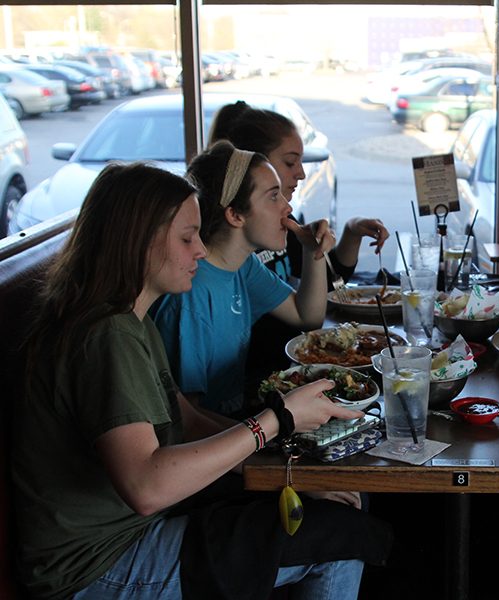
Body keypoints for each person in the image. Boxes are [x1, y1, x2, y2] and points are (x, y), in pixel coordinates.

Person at [11, 162, 391, 599]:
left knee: (340, 507)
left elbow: (186, 417)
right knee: (339, 539)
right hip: (96, 564)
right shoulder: (104, 335)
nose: (199, 251)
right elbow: (147, 488)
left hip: (137, 526)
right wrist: (278, 420)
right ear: (137, 241)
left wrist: (288, 473)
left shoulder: (129, 318)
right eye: (187, 238)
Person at [207, 100, 389, 384]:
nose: (302, 173)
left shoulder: (246, 263)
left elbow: (318, 301)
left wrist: (335, 240)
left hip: (275, 381)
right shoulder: (207, 276)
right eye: (290, 162)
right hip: (267, 376)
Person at [154, 140, 336, 422]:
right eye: (273, 196)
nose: (287, 207)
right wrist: (261, 447)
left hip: (238, 425)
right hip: (217, 443)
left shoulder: (242, 264)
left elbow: (306, 316)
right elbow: (186, 421)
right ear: (235, 215)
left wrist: (314, 252)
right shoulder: (192, 294)